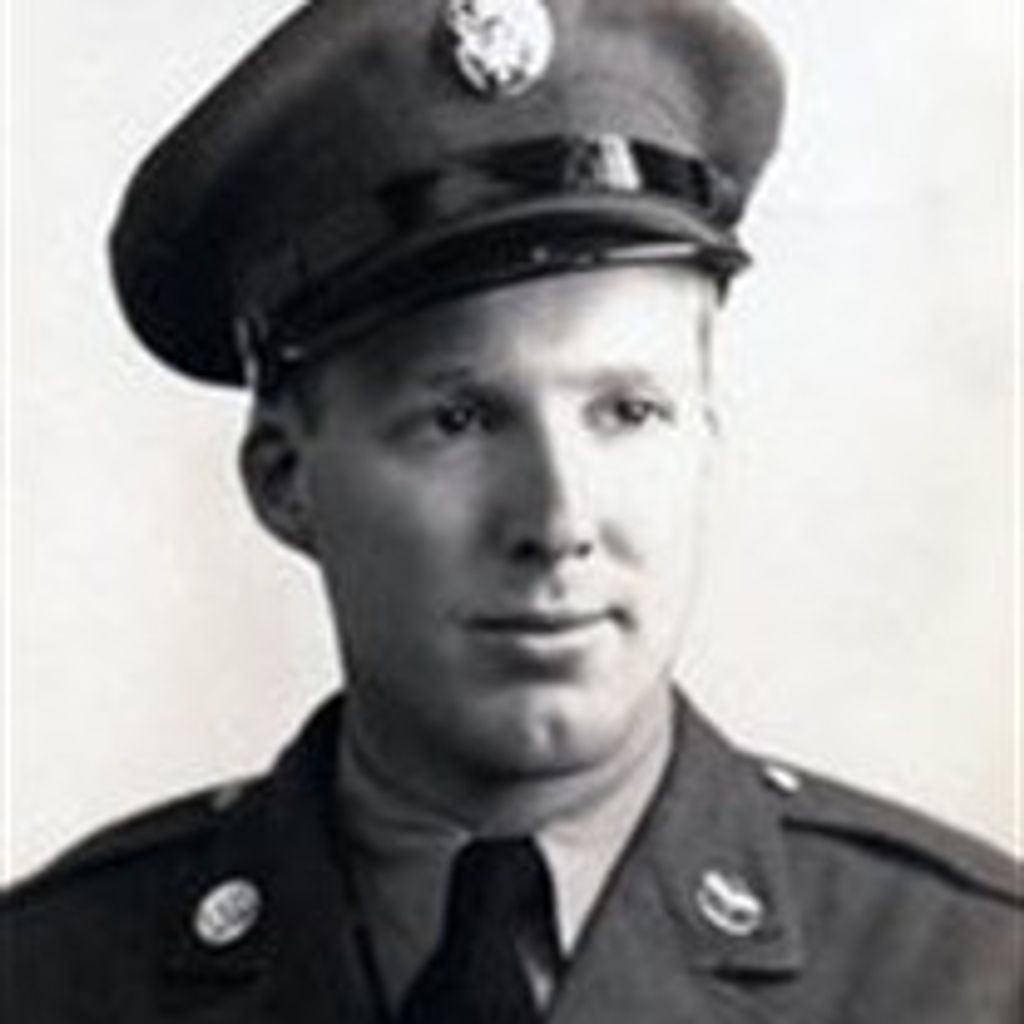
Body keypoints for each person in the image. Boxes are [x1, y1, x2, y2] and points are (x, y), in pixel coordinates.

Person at [2, 1, 1020, 1022]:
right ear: (283, 480)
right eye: (459, 419)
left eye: (627, 411)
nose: (558, 520)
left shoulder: (970, 973)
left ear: (705, 434)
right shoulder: (47, 979)